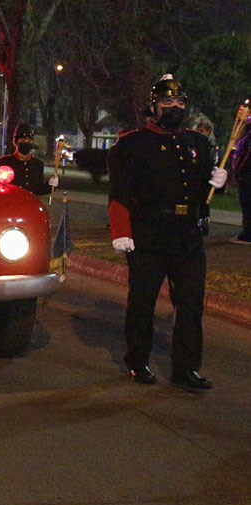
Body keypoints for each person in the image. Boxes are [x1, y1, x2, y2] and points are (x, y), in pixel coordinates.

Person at [107, 74, 227, 391]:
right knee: (143, 302)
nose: (174, 108)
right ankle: (138, 361)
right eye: (167, 103)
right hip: (148, 234)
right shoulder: (133, 144)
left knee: (190, 304)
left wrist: (218, 182)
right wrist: (121, 231)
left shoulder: (197, 143)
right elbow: (119, 192)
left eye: (179, 103)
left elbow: (201, 190)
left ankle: (186, 368)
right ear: (154, 107)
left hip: (187, 236)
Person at [0, 124, 59, 195]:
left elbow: (39, 189)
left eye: (29, 140)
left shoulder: (37, 164)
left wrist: (51, 185)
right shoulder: (5, 162)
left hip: (30, 204)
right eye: (23, 140)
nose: (26, 142)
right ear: (15, 142)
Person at [231, 112, 251, 244]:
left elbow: (246, 157)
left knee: (248, 204)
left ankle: (247, 234)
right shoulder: (246, 137)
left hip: (247, 177)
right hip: (244, 176)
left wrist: (239, 171)